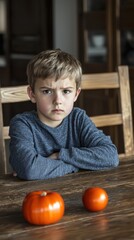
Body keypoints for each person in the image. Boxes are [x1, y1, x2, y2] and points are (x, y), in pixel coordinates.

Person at [9, 49, 119, 180]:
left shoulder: (78, 118)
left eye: (66, 91)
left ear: (76, 94)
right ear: (32, 94)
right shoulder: (22, 124)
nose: (58, 101)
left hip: (76, 192)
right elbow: (31, 170)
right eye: (47, 91)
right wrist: (80, 165)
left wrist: (59, 155)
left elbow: (110, 156)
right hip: (38, 196)